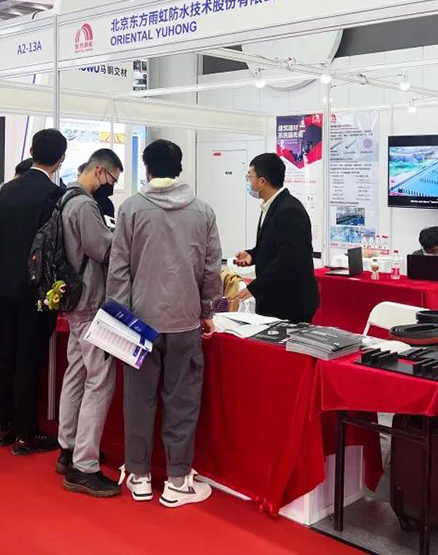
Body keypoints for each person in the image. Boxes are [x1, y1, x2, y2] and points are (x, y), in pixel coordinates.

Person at [107, 139, 222, 508]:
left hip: (140, 322)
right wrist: (207, 311)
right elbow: (211, 269)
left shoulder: (131, 208)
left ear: (146, 168)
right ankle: (177, 479)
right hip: (185, 321)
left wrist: (120, 315)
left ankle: (139, 475)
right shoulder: (203, 211)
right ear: (180, 168)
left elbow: (119, 269)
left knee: (138, 399)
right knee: (183, 401)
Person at [0, 130, 67, 454]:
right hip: (36, 288)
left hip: (3, 283)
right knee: (28, 357)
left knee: (4, 352)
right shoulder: (55, 195)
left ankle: (4, 425)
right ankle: (26, 432)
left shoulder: (7, 190)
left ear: (32, 150)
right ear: (61, 159)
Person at [58, 149, 123, 497]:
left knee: (76, 372)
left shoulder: (66, 197)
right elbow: (103, 249)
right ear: (100, 171)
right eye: (112, 179)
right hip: (89, 300)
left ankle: (68, 447)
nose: (111, 185)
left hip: (73, 300)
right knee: (100, 380)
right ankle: (84, 465)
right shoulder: (84, 205)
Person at [232, 153, 320, 323]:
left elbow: (288, 259)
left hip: (290, 302)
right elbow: (273, 245)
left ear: (262, 182)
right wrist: (252, 255)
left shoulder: (289, 210)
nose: (248, 181)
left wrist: (255, 287)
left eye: (250, 176)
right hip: (275, 298)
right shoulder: (271, 205)